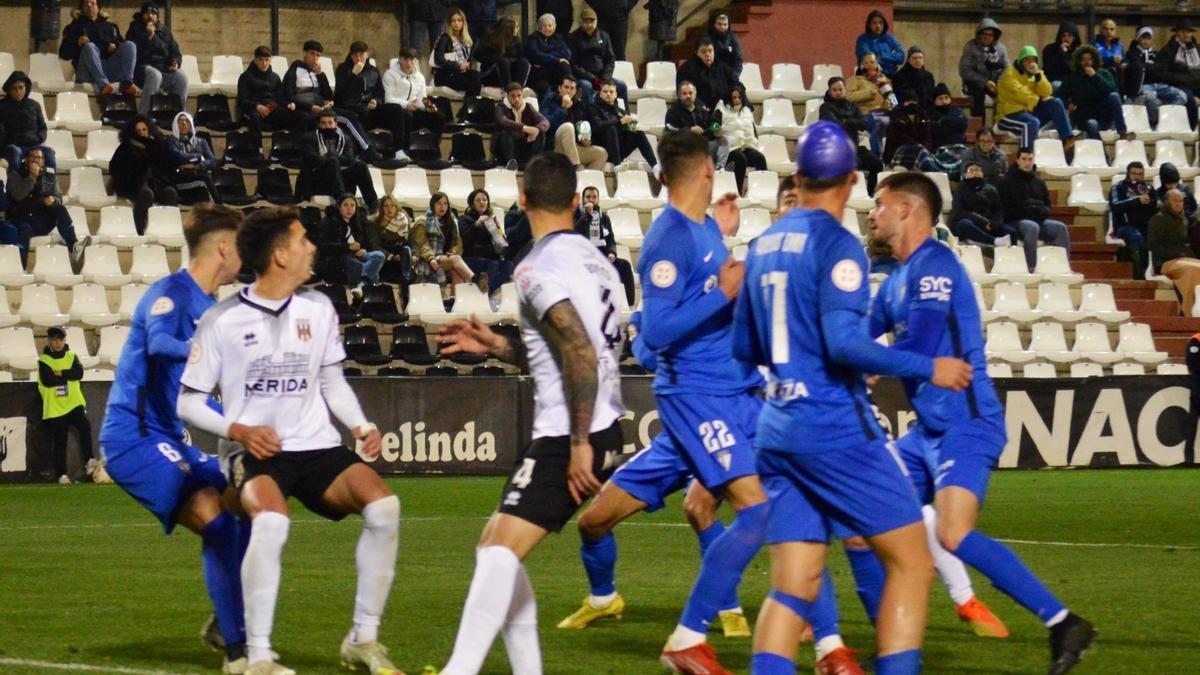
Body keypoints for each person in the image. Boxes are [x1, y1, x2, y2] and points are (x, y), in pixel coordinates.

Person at [734, 123, 970, 675]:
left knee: (793, 585)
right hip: (833, 429)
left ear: (797, 178)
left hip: (777, 429)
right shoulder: (839, 245)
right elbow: (844, 344)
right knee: (912, 563)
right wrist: (927, 365)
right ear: (852, 180)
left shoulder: (762, 244)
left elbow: (745, 344)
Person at [865, 171, 1097, 675]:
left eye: (880, 204)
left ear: (907, 210)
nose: (871, 212)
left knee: (952, 533)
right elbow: (856, 337)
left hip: (964, 425)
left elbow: (918, 346)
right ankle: (892, 644)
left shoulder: (936, 269)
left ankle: (1063, 622)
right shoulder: (894, 282)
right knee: (866, 521)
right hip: (926, 432)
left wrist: (863, 365)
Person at [177, 206, 401, 675]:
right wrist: (238, 431)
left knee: (384, 507)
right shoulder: (222, 320)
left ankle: (363, 638)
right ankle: (258, 657)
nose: (311, 247)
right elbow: (189, 402)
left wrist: (360, 426)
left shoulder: (318, 308)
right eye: (302, 240)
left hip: (315, 445)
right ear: (280, 255)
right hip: (254, 451)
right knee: (272, 524)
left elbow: (332, 381)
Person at [432, 153, 626, 674]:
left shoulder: (537, 266)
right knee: (496, 550)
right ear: (574, 200)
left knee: (497, 554)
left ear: (521, 199)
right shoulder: (600, 263)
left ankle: (460, 670)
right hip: (597, 422)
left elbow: (580, 352)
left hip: (570, 432)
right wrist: (496, 343)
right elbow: (568, 349)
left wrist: (580, 443)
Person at [625, 131, 764, 674]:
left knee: (783, 501)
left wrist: (722, 233)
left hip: (731, 391)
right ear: (708, 169)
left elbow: (709, 273)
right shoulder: (667, 238)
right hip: (696, 396)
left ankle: (819, 634)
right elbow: (657, 331)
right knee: (758, 509)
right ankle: (688, 635)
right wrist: (720, 293)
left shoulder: (703, 229)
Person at [97, 205, 248, 672]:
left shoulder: (214, 309)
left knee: (247, 507)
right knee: (217, 523)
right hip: (133, 436)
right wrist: (208, 354)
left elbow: (199, 392)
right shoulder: (171, 293)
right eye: (243, 248)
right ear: (224, 248)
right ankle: (240, 651)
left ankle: (226, 624)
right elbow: (161, 344)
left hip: (169, 436)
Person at [6, 148, 86, 265]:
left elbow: (56, 196)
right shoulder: (17, 174)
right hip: (21, 219)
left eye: (39, 158)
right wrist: (32, 176)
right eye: (33, 157)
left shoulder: (48, 175)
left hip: (41, 221)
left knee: (58, 208)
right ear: (26, 160)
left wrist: (53, 201)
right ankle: (19, 268)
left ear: (43, 161)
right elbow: (19, 196)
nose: (36, 160)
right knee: (25, 228)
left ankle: (74, 246)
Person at [38, 326, 96, 484]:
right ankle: (62, 474)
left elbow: (79, 373)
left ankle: (90, 460)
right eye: (54, 340)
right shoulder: (44, 360)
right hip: (55, 407)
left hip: (73, 402)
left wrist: (60, 373)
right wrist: (67, 375)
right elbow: (47, 381)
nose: (57, 343)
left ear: (64, 341)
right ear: (50, 341)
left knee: (84, 426)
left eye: (60, 340)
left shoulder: (72, 356)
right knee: (60, 441)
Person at [999, 147, 1072, 271]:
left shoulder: (1039, 182)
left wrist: (1036, 209)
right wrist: (1030, 208)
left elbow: (1047, 206)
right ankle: (1031, 267)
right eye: (1024, 159)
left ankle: (1065, 266)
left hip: (1037, 219)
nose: (1027, 162)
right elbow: (1005, 208)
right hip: (1015, 221)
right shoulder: (1006, 181)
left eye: (1030, 159)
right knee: (1032, 227)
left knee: (1061, 228)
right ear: (1017, 160)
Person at [107, 114, 177, 235]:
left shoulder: (157, 145)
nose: (142, 133)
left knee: (170, 192)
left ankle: (169, 227)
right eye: (138, 130)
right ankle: (137, 229)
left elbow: (165, 167)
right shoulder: (126, 147)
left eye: (144, 129)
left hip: (154, 183)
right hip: (132, 184)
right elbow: (115, 168)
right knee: (146, 194)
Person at [996, 46, 1076, 151]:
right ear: (1021, 61)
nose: (1030, 63)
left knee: (1055, 103)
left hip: (1029, 111)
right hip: (1009, 115)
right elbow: (1020, 93)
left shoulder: (1036, 72)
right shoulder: (1009, 74)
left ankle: (1067, 139)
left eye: (1033, 60)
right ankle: (1025, 155)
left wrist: (1038, 77)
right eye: (1027, 60)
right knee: (1032, 122)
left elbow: (1048, 91)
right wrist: (1038, 100)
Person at [297, 110, 378, 213]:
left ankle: (372, 203)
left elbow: (349, 160)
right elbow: (312, 158)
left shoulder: (345, 138)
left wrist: (332, 156)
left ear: (336, 124)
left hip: (338, 179)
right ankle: (342, 201)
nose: (327, 126)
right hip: (317, 180)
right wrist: (332, 159)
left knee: (360, 166)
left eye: (330, 122)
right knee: (332, 162)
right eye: (323, 123)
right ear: (318, 125)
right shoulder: (309, 138)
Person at [59, 0, 138, 97]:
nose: (89, 6)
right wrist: (77, 43)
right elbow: (64, 54)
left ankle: (127, 82)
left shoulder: (110, 27)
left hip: (108, 69)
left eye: (92, 3)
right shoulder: (73, 27)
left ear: (98, 7)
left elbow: (121, 46)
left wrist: (114, 47)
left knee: (130, 45)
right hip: (87, 72)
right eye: (86, 4)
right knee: (90, 47)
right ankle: (103, 84)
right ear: (81, 8)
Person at [573, 185, 635, 305]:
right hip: (582, 258)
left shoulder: (604, 218)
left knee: (625, 266)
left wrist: (612, 252)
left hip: (602, 257)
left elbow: (611, 239)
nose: (591, 199)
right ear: (583, 199)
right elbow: (575, 233)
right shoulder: (575, 215)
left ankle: (631, 306)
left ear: (598, 199)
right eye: (588, 197)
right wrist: (587, 216)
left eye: (594, 197)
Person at [381, 47, 445, 162]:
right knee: (403, 113)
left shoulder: (419, 77)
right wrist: (406, 104)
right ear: (400, 59)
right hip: (393, 110)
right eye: (406, 59)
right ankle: (399, 151)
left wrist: (428, 107)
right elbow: (388, 98)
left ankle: (434, 150)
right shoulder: (390, 74)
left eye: (412, 60)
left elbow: (422, 99)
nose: (409, 63)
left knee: (439, 117)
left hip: (411, 109)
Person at [1126, 26, 1196, 129]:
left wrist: (1148, 67)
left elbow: (1162, 68)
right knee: (1151, 98)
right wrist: (1152, 67)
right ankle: (1155, 123)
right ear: (1138, 38)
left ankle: (1166, 118)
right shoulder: (1132, 53)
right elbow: (1139, 68)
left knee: (1182, 96)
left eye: (1148, 38)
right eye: (1143, 38)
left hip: (1159, 84)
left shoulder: (1156, 53)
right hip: (1144, 85)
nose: (1146, 41)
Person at [126, 3, 188, 115]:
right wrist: (149, 37)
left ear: (158, 16)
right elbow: (136, 54)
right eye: (147, 13)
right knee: (155, 75)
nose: (150, 16)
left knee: (181, 77)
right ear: (142, 15)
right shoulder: (134, 30)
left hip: (162, 68)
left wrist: (175, 62)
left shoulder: (164, 31)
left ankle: (178, 116)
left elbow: (174, 50)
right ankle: (143, 116)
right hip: (141, 69)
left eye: (153, 13)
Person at [820, 77, 883, 186]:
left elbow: (864, 124)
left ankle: (870, 193)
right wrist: (853, 123)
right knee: (855, 163)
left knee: (877, 164)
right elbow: (836, 125)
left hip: (854, 147)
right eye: (834, 90)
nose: (838, 92)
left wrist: (846, 121)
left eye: (840, 89)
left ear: (845, 90)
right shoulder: (825, 107)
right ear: (829, 92)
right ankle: (851, 196)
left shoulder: (853, 106)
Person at [1056, 44, 1128, 140]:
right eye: (1083, 59)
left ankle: (1122, 133)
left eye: (1089, 59)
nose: (1086, 62)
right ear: (1078, 61)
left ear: (1094, 60)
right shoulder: (1073, 78)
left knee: (1114, 96)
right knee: (1092, 125)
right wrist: (1067, 104)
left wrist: (1095, 76)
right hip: (1085, 117)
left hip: (1105, 116)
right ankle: (1104, 155)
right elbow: (1059, 96)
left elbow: (1112, 90)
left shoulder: (1104, 73)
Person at [413, 192, 474, 296]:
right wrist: (431, 258)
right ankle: (475, 281)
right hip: (427, 259)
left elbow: (458, 244)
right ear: (433, 205)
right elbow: (422, 244)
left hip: (444, 258)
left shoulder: (452, 221)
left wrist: (453, 251)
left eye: (445, 203)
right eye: (439, 203)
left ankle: (453, 302)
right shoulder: (422, 221)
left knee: (457, 271)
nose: (442, 207)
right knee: (456, 259)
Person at [541, 75, 607, 170]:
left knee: (601, 153)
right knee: (568, 127)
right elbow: (545, 126)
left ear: (575, 91)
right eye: (566, 87)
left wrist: (585, 139)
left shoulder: (579, 105)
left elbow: (582, 126)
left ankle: (584, 182)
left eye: (572, 88)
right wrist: (563, 108)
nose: (569, 91)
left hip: (573, 148)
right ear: (560, 88)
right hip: (555, 147)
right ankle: (576, 167)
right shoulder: (549, 100)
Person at [1150, 188, 1200, 313]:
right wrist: (1180, 254)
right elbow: (1153, 244)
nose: (1178, 203)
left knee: (1192, 271)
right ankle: (1189, 310)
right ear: (1167, 202)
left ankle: (1189, 308)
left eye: (1180, 201)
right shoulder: (1158, 219)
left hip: (1183, 260)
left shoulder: (1184, 219)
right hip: (1165, 263)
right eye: (1174, 201)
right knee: (1194, 269)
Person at [590, 79, 657, 170]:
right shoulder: (593, 108)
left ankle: (655, 166)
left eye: (611, 92)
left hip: (619, 150)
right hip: (603, 148)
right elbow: (597, 127)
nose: (608, 94)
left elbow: (626, 130)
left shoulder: (620, 111)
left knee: (638, 133)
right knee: (611, 129)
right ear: (600, 93)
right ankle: (617, 166)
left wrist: (631, 126)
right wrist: (620, 122)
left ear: (616, 94)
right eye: (605, 91)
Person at [322, 193, 386, 288]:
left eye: (352, 205)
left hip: (359, 255)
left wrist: (364, 249)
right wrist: (348, 247)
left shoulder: (359, 222)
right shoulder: (330, 222)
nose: (349, 208)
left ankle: (363, 281)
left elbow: (369, 241)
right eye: (345, 205)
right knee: (358, 265)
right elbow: (325, 246)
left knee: (379, 255)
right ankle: (369, 283)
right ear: (339, 208)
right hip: (342, 257)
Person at [458, 188, 513, 294]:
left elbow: (502, 245)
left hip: (490, 257)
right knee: (493, 265)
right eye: (478, 200)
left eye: (484, 200)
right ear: (472, 203)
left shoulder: (491, 220)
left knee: (508, 265)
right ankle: (485, 294)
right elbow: (466, 238)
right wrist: (477, 224)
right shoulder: (464, 219)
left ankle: (486, 292)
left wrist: (497, 229)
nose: (482, 202)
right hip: (472, 258)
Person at [950, 161, 1018, 247]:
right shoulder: (960, 189)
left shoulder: (991, 189)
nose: (975, 172)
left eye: (978, 170)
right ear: (965, 175)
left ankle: (1011, 257)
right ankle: (994, 241)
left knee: (1010, 231)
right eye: (971, 170)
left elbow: (999, 209)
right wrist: (982, 222)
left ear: (982, 173)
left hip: (989, 225)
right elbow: (959, 211)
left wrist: (995, 223)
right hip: (971, 223)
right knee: (965, 224)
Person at [1109, 161, 1157, 279]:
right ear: (1128, 173)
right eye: (1134, 173)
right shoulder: (1118, 187)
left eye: (1140, 174)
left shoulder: (1149, 188)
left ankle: (1153, 273)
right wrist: (1136, 200)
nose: (1137, 176)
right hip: (1125, 226)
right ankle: (1140, 276)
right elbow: (1115, 206)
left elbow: (1156, 206)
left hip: (1145, 225)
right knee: (1136, 237)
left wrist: (1152, 202)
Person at [665, 81, 728, 170]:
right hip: (683, 147)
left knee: (723, 139)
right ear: (679, 96)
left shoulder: (702, 111)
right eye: (684, 93)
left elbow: (712, 124)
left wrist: (716, 130)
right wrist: (689, 130)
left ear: (695, 94)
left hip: (703, 146)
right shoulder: (673, 112)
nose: (688, 96)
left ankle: (720, 167)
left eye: (690, 93)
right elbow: (670, 131)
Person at [0, 71, 54, 170]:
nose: (17, 91)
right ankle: (16, 184)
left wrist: (38, 138)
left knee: (49, 152)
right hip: (13, 146)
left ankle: (48, 185)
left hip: (34, 145)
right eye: (14, 88)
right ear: (9, 90)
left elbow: (43, 128)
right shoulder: (2, 106)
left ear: (26, 88)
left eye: (20, 87)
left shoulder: (34, 105)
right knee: (14, 152)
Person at [716, 86, 765, 192]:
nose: (737, 100)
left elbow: (753, 128)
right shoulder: (721, 109)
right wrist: (716, 131)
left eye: (739, 97)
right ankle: (737, 191)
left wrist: (755, 140)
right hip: (729, 148)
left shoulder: (747, 110)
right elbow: (713, 125)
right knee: (740, 159)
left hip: (746, 145)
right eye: (734, 98)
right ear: (729, 99)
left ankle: (760, 191)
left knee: (760, 158)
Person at [334, 41, 385, 138]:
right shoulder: (342, 69)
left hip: (369, 106)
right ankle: (365, 146)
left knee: (396, 109)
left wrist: (376, 101)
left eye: (361, 54)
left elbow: (380, 92)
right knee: (362, 111)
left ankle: (398, 149)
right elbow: (340, 93)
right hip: (349, 105)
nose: (358, 58)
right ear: (350, 55)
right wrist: (353, 74)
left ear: (367, 54)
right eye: (355, 55)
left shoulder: (373, 71)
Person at [165, 112, 219, 205]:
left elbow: (213, 162)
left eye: (187, 121)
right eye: (180, 121)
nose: (184, 124)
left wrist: (196, 166)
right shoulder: (171, 141)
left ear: (191, 124)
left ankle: (208, 217)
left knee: (204, 194)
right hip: (180, 180)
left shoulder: (201, 142)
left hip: (197, 177)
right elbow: (178, 157)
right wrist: (199, 157)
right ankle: (220, 209)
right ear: (175, 124)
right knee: (204, 179)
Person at [238, 46, 289, 143]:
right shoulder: (245, 77)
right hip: (253, 110)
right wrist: (256, 106)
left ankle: (285, 147)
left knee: (289, 114)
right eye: (260, 60)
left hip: (271, 109)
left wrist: (271, 107)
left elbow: (280, 97)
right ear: (255, 60)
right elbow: (242, 101)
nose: (264, 63)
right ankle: (258, 148)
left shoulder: (275, 77)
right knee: (254, 117)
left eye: (267, 60)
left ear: (270, 61)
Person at [959, 18, 1008, 118]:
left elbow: (1007, 68)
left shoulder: (1001, 49)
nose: (987, 37)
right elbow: (964, 70)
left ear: (995, 36)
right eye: (984, 34)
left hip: (995, 82)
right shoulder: (970, 46)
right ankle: (979, 127)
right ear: (979, 34)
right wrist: (985, 81)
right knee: (978, 94)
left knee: (1006, 94)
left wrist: (999, 82)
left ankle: (999, 125)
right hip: (975, 81)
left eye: (990, 35)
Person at [493, 82, 549, 170]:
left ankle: (534, 164)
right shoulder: (501, 107)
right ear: (507, 97)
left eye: (519, 95)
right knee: (507, 132)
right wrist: (525, 128)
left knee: (540, 134)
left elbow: (545, 122)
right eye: (513, 96)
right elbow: (504, 122)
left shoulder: (528, 107)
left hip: (523, 146)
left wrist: (536, 130)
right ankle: (510, 163)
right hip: (505, 149)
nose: (517, 99)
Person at [676, 37, 740, 111]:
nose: (707, 54)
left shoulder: (722, 66)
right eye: (703, 52)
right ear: (696, 53)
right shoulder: (686, 69)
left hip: (724, 109)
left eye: (710, 51)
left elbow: (736, 84)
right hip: (697, 110)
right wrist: (699, 105)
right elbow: (682, 92)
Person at [432, 8, 482, 98]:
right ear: (449, 23)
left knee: (477, 76)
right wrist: (458, 66)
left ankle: (471, 106)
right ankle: (468, 108)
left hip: (459, 73)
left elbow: (468, 60)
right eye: (453, 21)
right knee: (472, 84)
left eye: (459, 20)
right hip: (445, 74)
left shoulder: (466, 39)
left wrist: (466, 65)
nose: (457, 23)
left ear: (463, 22)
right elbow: (438, 59)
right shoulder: (445, 37)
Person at [525, 13, 572, 97]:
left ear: (554, 26)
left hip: (554, 71)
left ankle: (569, 91)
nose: (547, 28)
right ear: (539, 27)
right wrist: (556, 60)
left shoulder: (558, 38)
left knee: (564, 64)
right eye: (544, 26)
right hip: (540, 73)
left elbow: (567, 53)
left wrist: (546, 56)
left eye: (550, 26)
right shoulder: (533, 37)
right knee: (543, 87)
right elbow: (536, 55)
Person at [477, 17, 531, 89]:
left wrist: (512, 60)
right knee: (503, 61)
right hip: (492, 72)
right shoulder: (490, 39)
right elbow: (477, 55)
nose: (518, 29)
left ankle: (518, 89)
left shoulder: (516, 40)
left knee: (524, 62)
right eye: (516, 27)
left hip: (510, 72)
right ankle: (508, 89)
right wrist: (497, 57)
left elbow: (521, 56)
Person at [372, 196, 415, 286]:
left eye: (392, 206)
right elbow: (375, 245)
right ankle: (407, 288)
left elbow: (412, 240)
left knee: (406, 249)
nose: (389, 209)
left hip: (403, 255)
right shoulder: (376, 223)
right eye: (386, 206)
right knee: (408, 269)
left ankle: (406, 281)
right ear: (382, 208)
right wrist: (392, 256)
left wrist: (415, 255)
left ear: (396, 207)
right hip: (387, 258)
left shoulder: (404, 220)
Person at [883, 90, 931, 165]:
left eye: (913, 101)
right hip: (899, 151)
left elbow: (928, 136)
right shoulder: (896, 116)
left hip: (921, 150)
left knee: (925, 156)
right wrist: (917, 145)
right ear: (903, 102)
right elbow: (897, 137)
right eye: (908, 101)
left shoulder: (922, 116)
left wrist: (924, 146)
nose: (911, 103)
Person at [856, 9, 905, 77]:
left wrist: (883, 56)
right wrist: (892, 57)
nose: (878, 26)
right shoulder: (863, 40)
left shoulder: (890, 38)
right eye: (874, 23)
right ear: (869, 24)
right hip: (869, 76)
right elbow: (870, 61)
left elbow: (901, 57)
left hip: (891, 76)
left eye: (880, 23)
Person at [409, 0, 453, 67]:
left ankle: (438, 75)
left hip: (439, 11)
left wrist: (445, 3)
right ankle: (412, 74)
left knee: (438, 49)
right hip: (418, 11)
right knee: (416, 49)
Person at [1156, 162, 1197, 226]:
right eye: (1169, 184)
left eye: (1174, 183)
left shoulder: (1185, 189)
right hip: (1169, 224)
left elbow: (1193, 206)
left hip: (1187, 220)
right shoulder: (1159, 193)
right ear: (1163, 182)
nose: (1172, 187)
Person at [928, 83, 967, 148]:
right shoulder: (930, 113)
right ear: (934, 101)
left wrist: (943, 121)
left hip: (958, 147)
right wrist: (954, 124)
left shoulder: (957, 110)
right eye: (940, 99)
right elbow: (935, 130)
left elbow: (963, 123)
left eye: (946, 98)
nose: (944, 101)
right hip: (939, 149)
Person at [1042, 22, 1081, 86]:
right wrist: (1061, 52)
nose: (1066, 38)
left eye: (1069, 36)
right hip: (1055, 80)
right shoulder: (1050, 49)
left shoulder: (1078, 51)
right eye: (1064, 36)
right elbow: (1048, 68)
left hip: (1073, 81)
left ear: (1074, 38)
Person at [707, 12, 743, 76]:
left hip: (729, 77)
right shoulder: (706, 38)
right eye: (719, 24)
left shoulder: (733, 39)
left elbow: (738, 60)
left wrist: (734, 76)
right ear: (714, 24)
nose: (722, 27)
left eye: (725, 24)